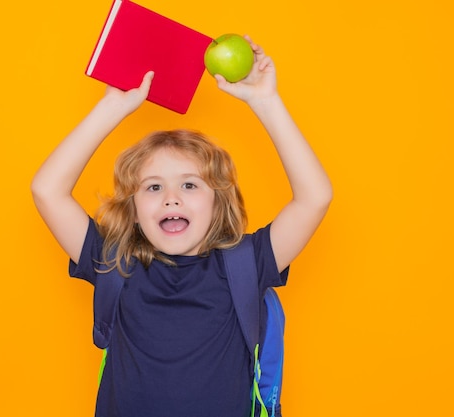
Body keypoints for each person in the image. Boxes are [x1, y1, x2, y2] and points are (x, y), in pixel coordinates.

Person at [31, 36, 332, 417]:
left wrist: (265, 101)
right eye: (153, 187)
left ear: (217, 202)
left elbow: (314, 197)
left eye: (189, 185)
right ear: (134, 210)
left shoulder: (246, 263)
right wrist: (112, 107)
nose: (171, 198)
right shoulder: (113, 262)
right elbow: (47, 191)